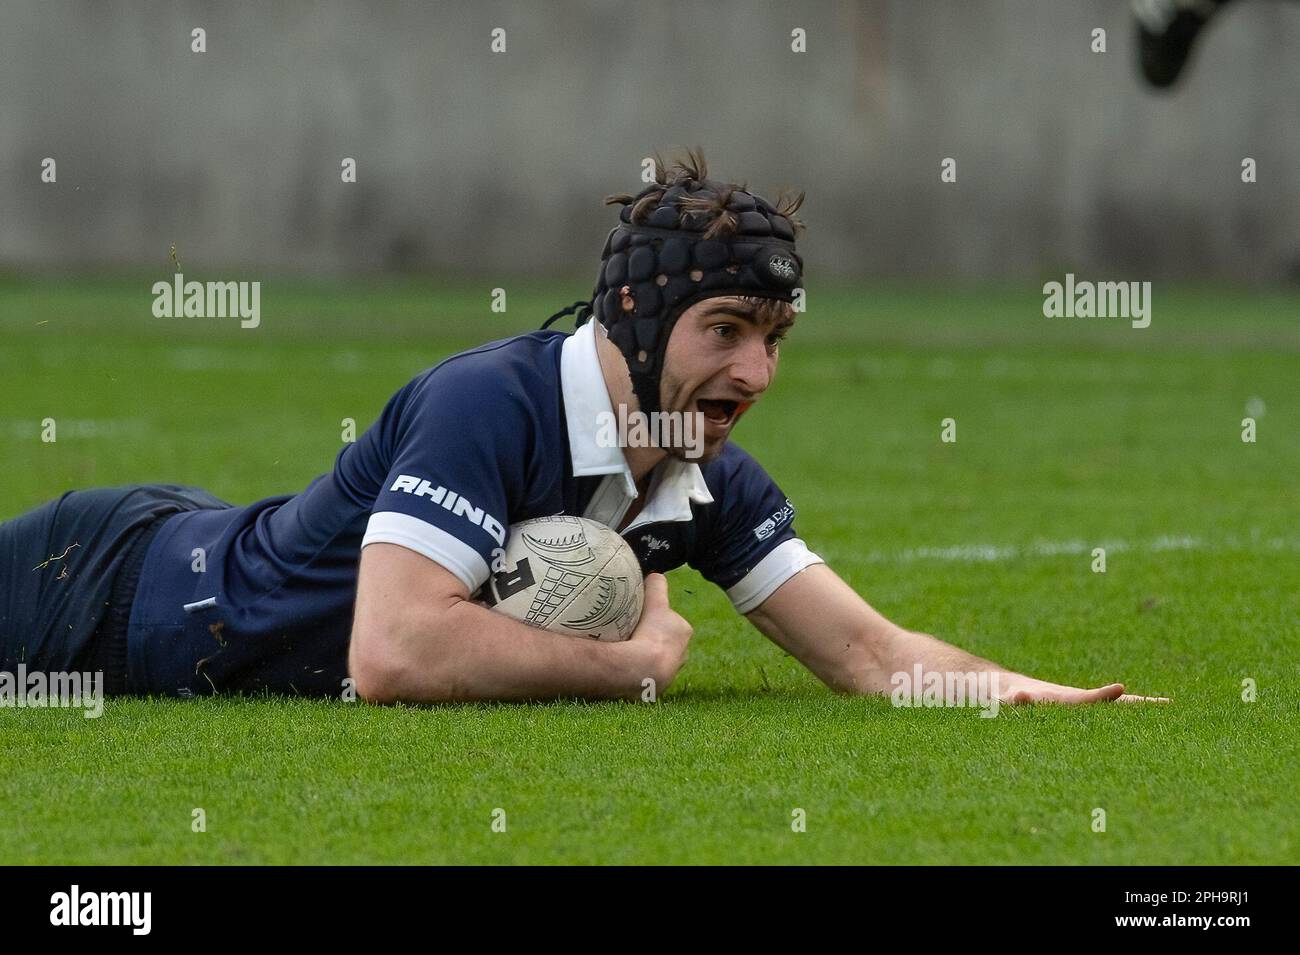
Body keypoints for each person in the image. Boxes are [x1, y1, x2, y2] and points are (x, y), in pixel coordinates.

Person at [0, 149, 1165, 706]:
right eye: (726, 329)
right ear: (633, 314)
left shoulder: (708, 473)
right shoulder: (487, 404)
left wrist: (1020, 689)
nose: (756, 369)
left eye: (776, 336)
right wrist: (629, 665)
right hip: (103, 586)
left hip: (159, 579)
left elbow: (863, 653)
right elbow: (394, 653)